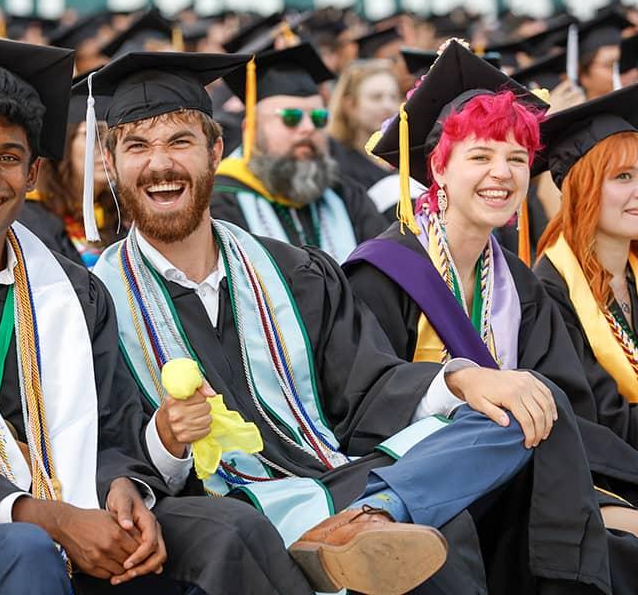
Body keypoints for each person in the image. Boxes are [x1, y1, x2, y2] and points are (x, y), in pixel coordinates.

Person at [83, 48, 610, 595]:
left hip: (337, 480)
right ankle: (368, 521)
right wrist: (166, 440)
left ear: (216, 150)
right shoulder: (94, 300)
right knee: (253, 530)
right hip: (209, 502)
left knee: (519, 405)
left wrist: (463, 379)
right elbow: (101, 450)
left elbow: (367, 389)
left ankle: (376, 513)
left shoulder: (296, 273)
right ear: (111, 160)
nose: (160, 163)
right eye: (138, 146)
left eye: (180, 142)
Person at [0, 28, 305, 595]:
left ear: (32, 176)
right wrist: (50, 518)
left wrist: (122, 492)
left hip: (75, 510)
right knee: (26, 549)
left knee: (226, 530)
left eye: (9, 158)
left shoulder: (74, 292)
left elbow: (113, 430)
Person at [344, 39, 633, 594]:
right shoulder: (380, 273)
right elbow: (360, 407)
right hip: (426, 491)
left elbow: (569, 406)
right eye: (479, 155)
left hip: (526, 485)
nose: (502, 173)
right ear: (438, 167)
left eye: (517, 158)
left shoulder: (518, 286)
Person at [534, 85, 638, 529]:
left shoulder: (632, 272)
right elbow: (591, 417)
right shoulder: (549, 290)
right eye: (623, 177)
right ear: (582, 188)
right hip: (608, 478)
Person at [210, 43, 387, 262]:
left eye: (318, 118)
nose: (308, 128)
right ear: (251, 129)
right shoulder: (219, 203)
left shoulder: (347, 197)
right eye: (290, 118)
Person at [18, 82, 121, 267]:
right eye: (94, 134)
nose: (106, 147)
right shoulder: (31, 217)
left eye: (112, 137)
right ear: (66, 143)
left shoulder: (121, 215)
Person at [327, 59, 398, 191]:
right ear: (350, 105)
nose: (388, 106)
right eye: (376, 97)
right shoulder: (337, 165)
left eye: (393, 97)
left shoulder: (403, 159)